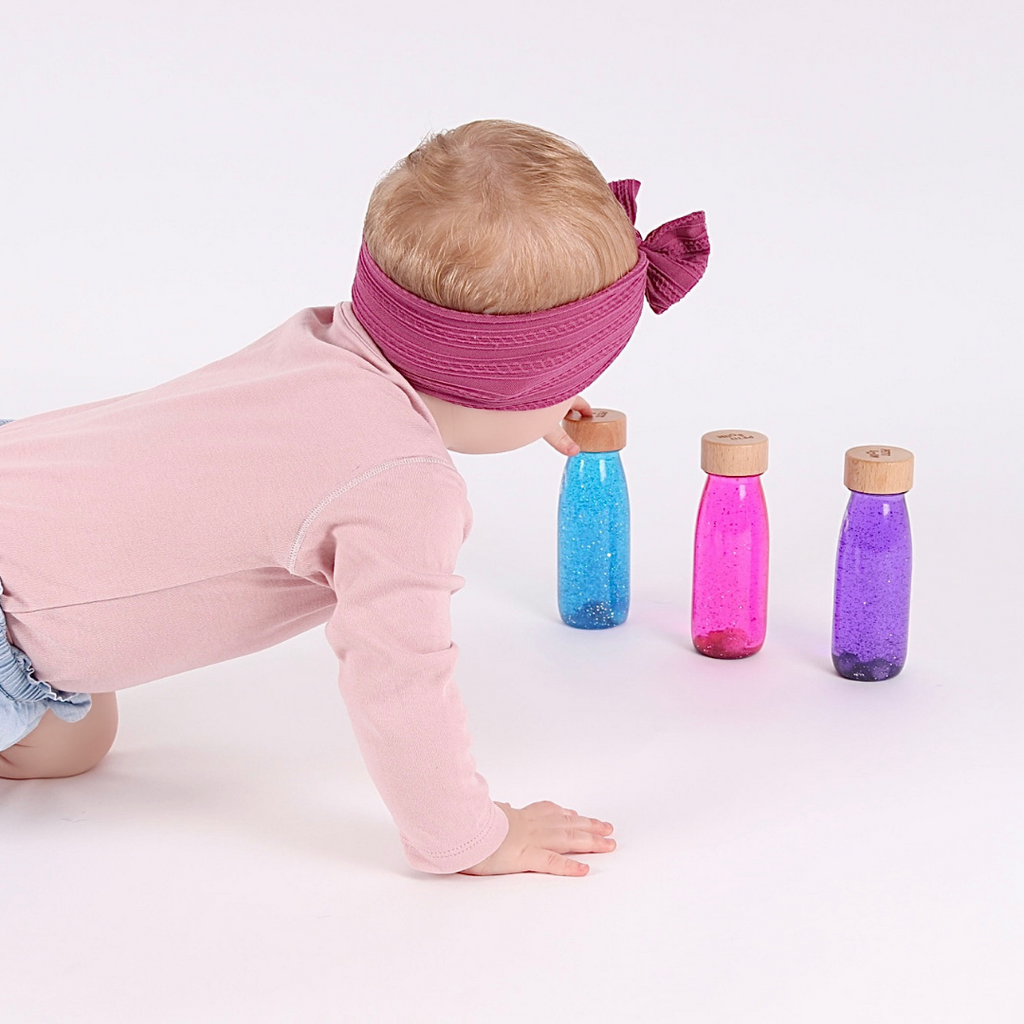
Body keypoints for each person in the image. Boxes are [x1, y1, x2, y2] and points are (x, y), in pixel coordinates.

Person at [0, 119, 708, 876]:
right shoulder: (403, 492)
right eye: (566, 382)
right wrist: (472, 836)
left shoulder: (314, 341)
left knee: (78, 742)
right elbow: (398, 679)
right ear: (523, 385)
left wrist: (529, 402)